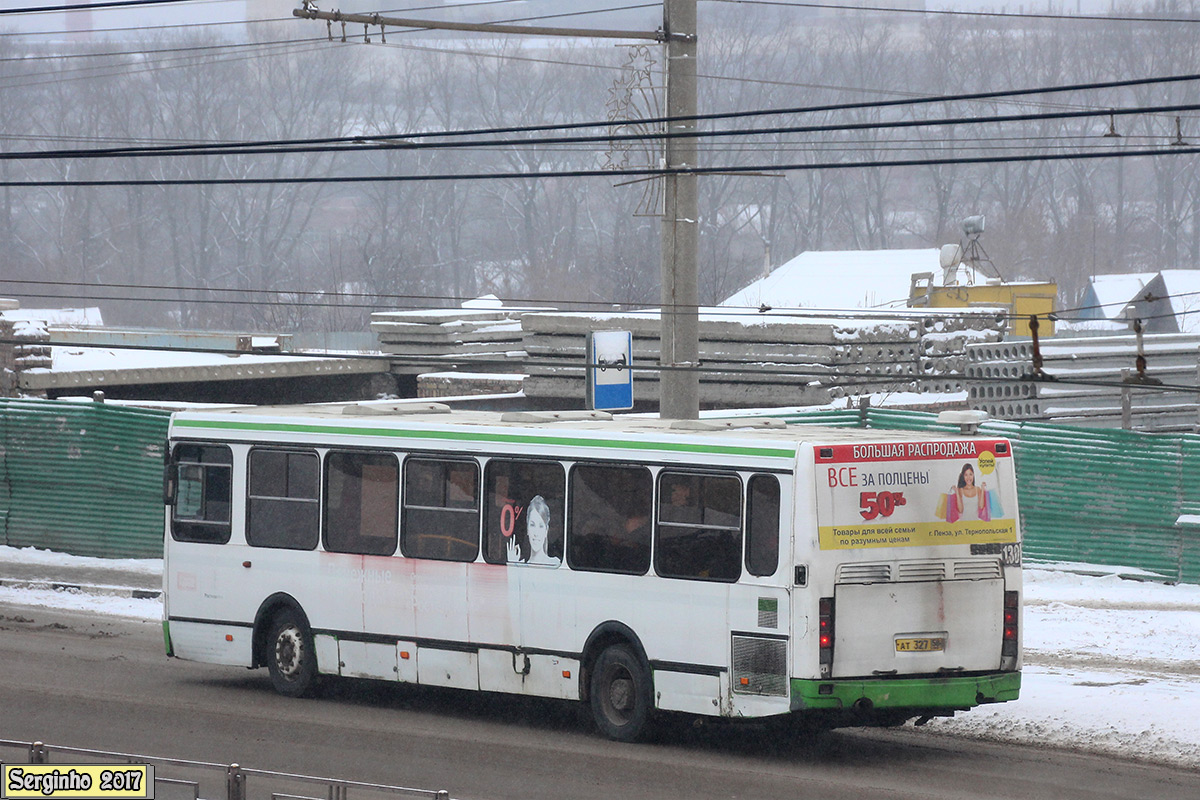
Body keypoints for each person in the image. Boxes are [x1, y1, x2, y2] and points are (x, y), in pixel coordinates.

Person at [508, 494, 560, 566]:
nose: (536, 533)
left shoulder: (555, 563)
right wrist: (512, 565)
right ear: (527, 528)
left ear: (546, 531)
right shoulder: (520, 567)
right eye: (532, 525)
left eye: (541, 526)